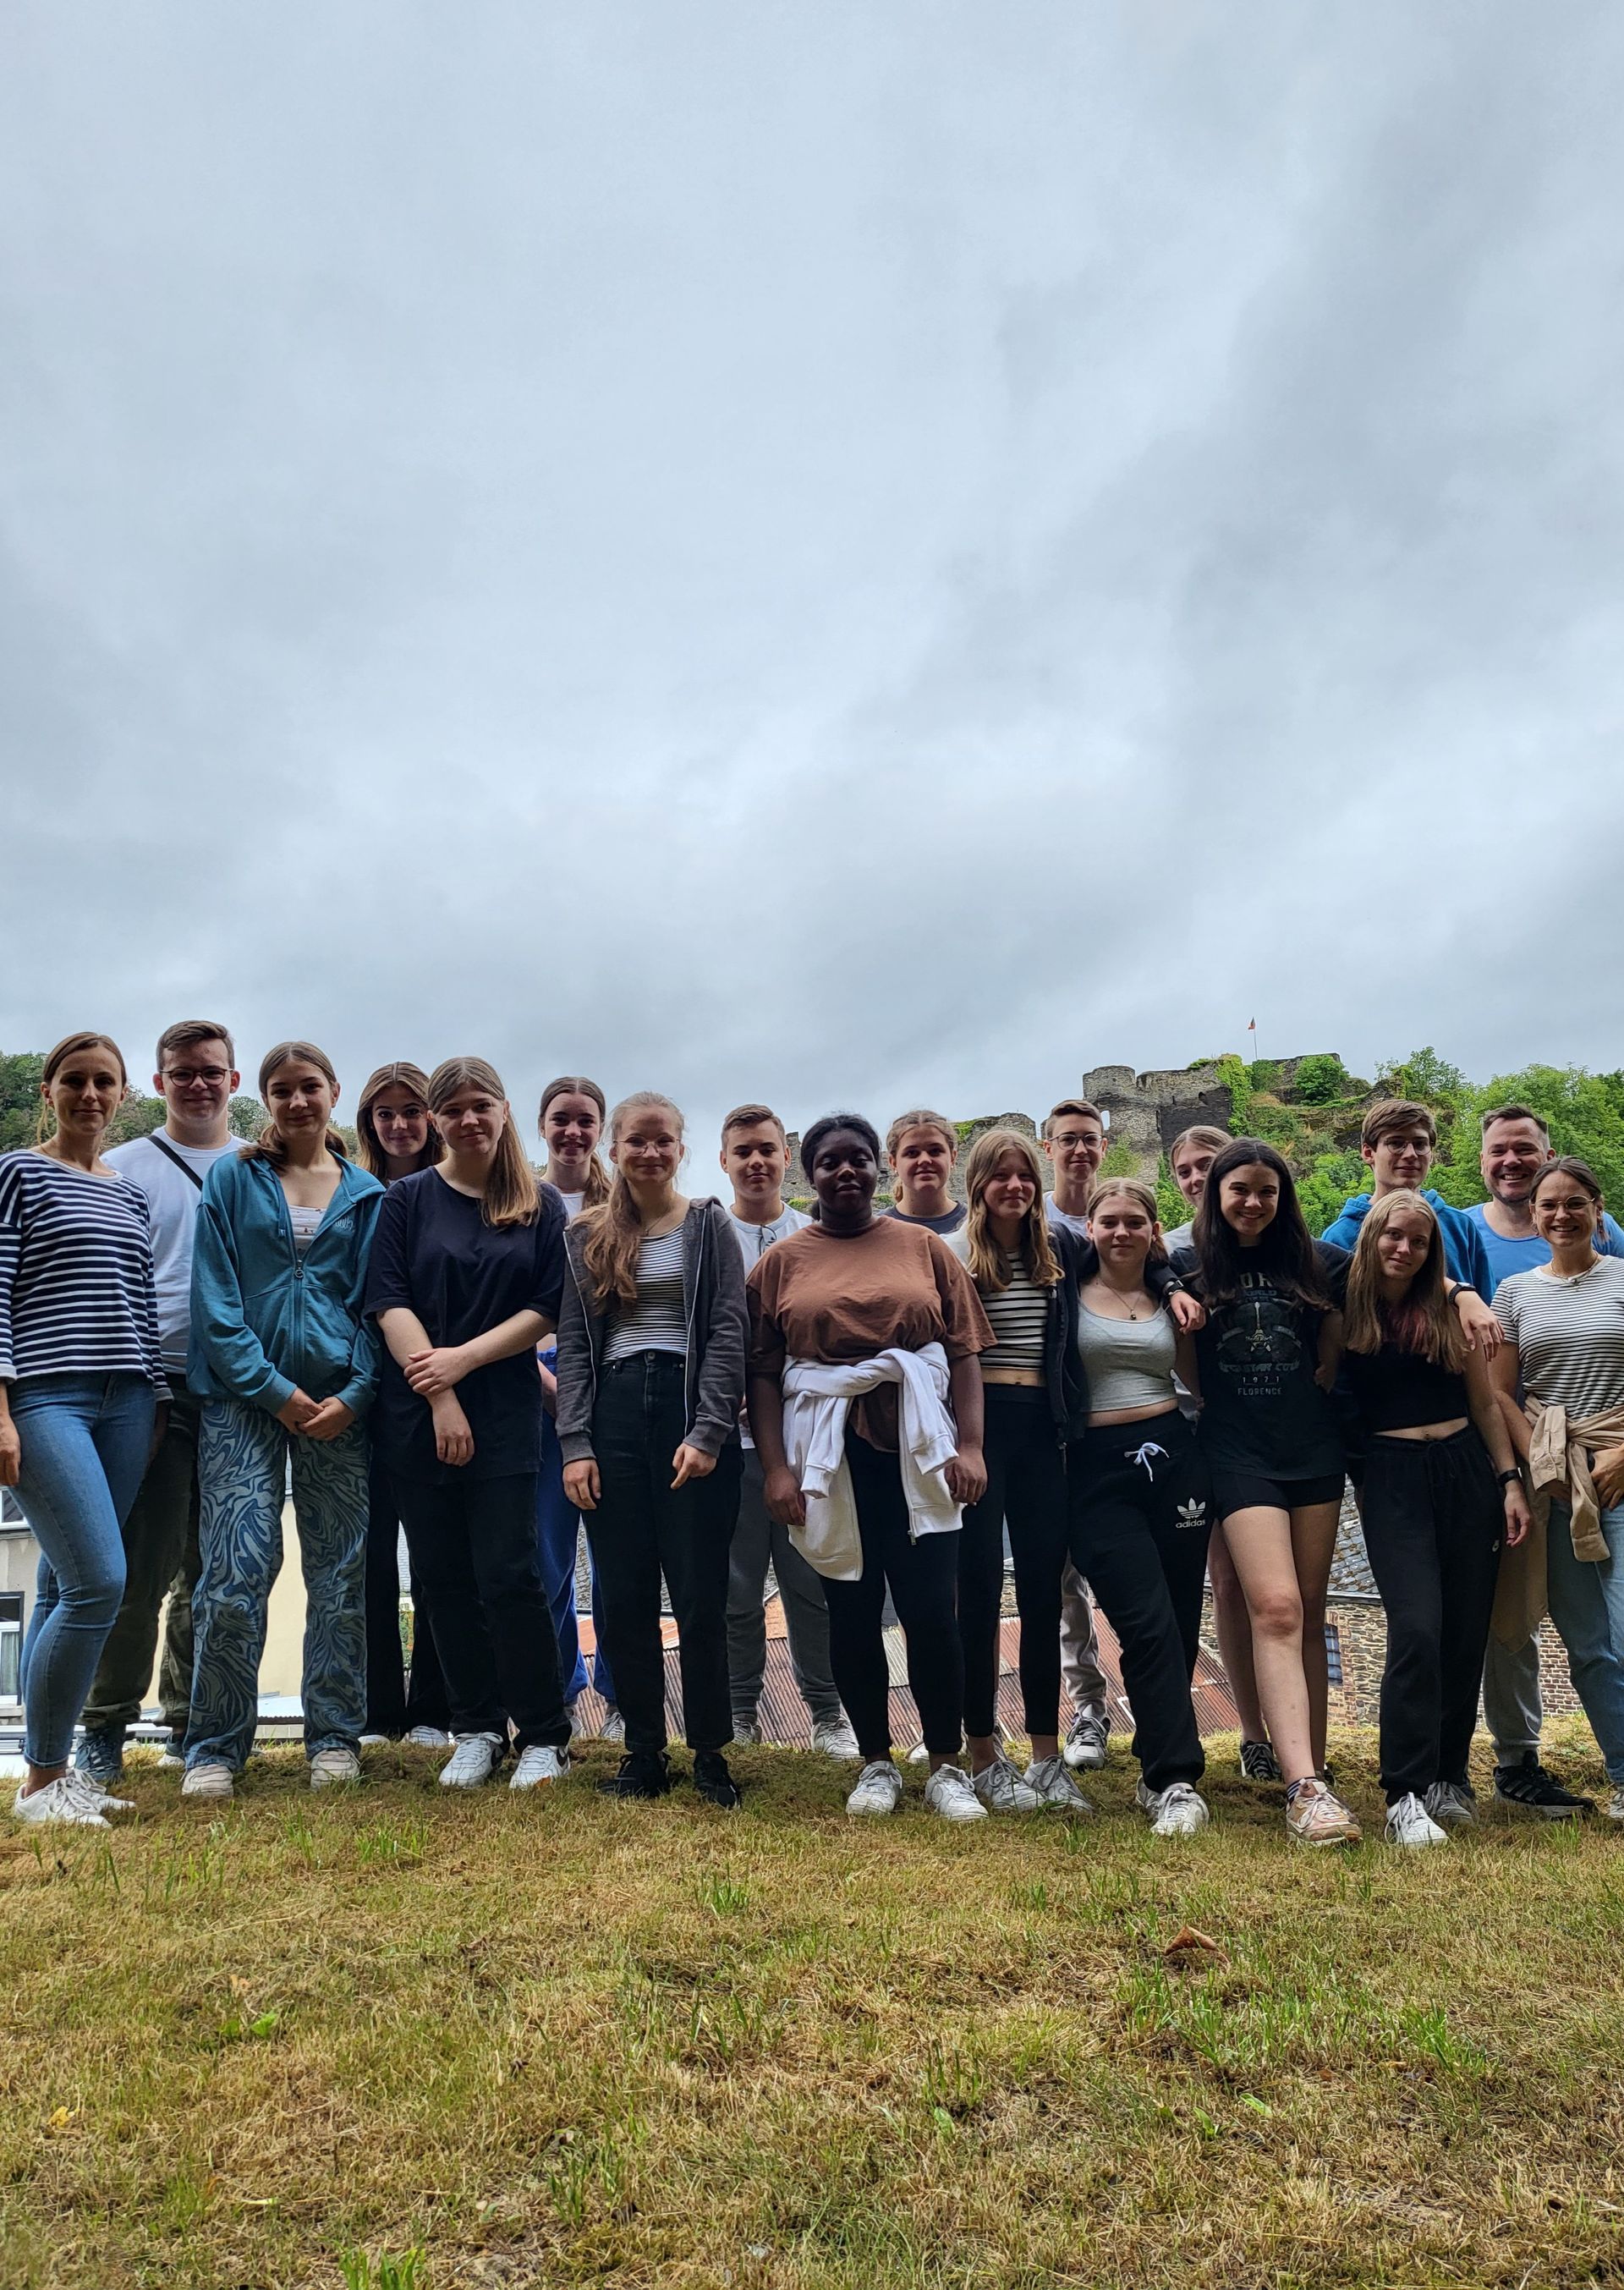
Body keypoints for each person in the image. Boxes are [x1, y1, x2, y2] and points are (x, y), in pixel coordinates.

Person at [745, 1112, 994, 1823]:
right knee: (850, 1610)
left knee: (930, 1611)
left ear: (877, 1167)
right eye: (830, 1162)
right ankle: (876, 1761)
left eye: (858, 1158)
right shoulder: (781, 1263)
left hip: (919, 1447)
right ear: (811, 1174)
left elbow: (964, 1352)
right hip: (829, 1455)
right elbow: (761, 1374)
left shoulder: (923, 1247)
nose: (846, 1171)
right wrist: (776, 1469)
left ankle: (945, 1763)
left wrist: (971, 1446)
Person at [182, 1042, 382, 1800]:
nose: (297, 1101)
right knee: (234, 1572)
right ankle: (214, 1747)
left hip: (338, 1407)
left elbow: (379, 1304)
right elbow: (215, 1303)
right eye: (282, 1089)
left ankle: (333, 1738)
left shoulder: (367, 1194)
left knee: (339, 1575)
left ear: (333, 1092)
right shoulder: (233, 1178)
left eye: (310, 1087)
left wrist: (356, 1393)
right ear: (264, 1098)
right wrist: (273, 1391)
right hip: (243, 1402)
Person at [368, 1057, 573, 1793]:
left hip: (506, 1412)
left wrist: (464, 1361)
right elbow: (388, 1300)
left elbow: (547, 1306)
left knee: (510, 1573)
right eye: (451, 1109)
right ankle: (477, 1727)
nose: (467, 1119)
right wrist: (440, 1393)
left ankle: (545, 1733)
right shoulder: (407, 1199)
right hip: (418, 1412)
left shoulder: (541, 1203)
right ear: (436, 1120)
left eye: (480, 1104)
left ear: (504, 1109)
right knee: (442, 1577)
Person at [557, 1093, 749, 1807]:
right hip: (613, 1413)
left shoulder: (708, 1223)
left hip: (686, 1407)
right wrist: (576, 1443)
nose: (649, 1151)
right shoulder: (585, 1234)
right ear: (614, 1149)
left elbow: (728, 1329)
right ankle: (643, 1751)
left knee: (700, 1596)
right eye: (636, 1140)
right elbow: (574, 1344)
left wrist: (708, 1430)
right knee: (624, 1594)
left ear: (680, 1148)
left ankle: (710, 1754)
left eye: (662, 1139)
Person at [72, 1021, 248, 1785]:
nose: (198, 1084)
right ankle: (104, 1725)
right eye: (182, 1072)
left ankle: (189, 1719)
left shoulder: (260, 1164)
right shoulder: (125, 1167)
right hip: (156, 1385)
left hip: (240, 1391)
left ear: (234, 1080)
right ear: (158, 1082)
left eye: (211, 1071)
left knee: (217, 1572)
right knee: (139, 1567)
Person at [1171, 1139, 1361, 1845]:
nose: (1253, 1202)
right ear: (1215, 1194)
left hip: (1313, 1452)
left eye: (1267, 1191)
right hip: (1235, 1454)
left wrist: (1462, 1296)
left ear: (1284, 1197)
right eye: (1239, 1190)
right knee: (1275, 1606)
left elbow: (1402, 1279)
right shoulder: (1187, 1266)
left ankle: (1312, 1769)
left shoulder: (1324, 1263)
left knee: (1308, 1611)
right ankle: (1302, 1788)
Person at [1, 1034, 167, 1828]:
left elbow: (142, 1302)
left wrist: (156, 1401)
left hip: (128, 1400)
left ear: (124, 1093)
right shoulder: (18, 1172)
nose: (90, 1094)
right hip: (46, 1399)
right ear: (49, 1091)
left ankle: (55, 1771)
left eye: (105, 1081)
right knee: (100, 1581)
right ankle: (41, 1781)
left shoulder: (128, 1192)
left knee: (65, 1586)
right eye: (75, 1080)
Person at [1341, 1192, 1532, 1845]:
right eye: (1393, 1235)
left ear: (1432, 1251)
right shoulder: (1346, 1308)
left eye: (1418, 1241)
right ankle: (1405, 1791)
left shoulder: (1450, 1311)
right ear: (1373, 1236)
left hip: (1464, 1470)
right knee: (1417, 1628)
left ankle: (1450, 1776)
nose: (1404, 1248)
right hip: (1390, 1476)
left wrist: (1509, 1480)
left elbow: (1485, 1403)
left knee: (1463, 1631)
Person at [1465, 1105, 1624, 1817]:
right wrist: (1544, 1467)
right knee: (1587, 1642)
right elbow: (1501, 1393)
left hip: (1621, 1466)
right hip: (1558, 1480)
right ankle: (1622, 1775)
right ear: (1534, 1214)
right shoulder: (1515, 1293)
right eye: (1549, 1205)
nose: (1561, 1214)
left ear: (1597, 1208)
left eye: (1574, 1203)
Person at [1071, 1176, 1215, 1835]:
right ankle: (1177, 1778)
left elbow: (1196, 1381)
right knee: (1146, 1620)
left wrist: (1174, 1286)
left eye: (1135, 1221)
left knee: (1180, 1620)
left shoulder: (1171, 1292)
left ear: (1154, 1229)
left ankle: (1156, 1766)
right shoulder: (1066, 1289)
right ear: (1090, 1228)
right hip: (1097, 1468)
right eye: (1110, 1221)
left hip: (1174, 1456)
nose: (1122, 1231)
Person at [719, 1103, 857, 1758]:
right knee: (736, 1586)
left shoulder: (818, 1235)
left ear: (785, 1159)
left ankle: (828, 1712)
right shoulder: (705, 1236)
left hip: (807, 1441)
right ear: (723, 1160)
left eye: (767, 1150)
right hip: (727, 1440)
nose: (756, 1161)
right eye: (743, 1150)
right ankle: (740, 1708)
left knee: (813, 1582)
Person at [1166, 1122, 1280, 1783]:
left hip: (1258, 1430)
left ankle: (1276, 1728)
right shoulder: (1171, 1249)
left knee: (1269, 1589)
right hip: (1190, 1431)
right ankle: (1253, 1731)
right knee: (1224, 1582)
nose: (1195, 1178)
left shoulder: (1268, 1239)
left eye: (1206, 1164)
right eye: (1184, 1169)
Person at [350, 1062, 451, 1749]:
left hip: (438, 1388)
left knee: (438, 1555)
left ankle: (436, 1710)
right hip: (363, 1392)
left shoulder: (456, 1190)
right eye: (384, 1113)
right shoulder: (354, 1192)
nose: (399, 1124)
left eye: (412, 1110)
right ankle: (378, 1711)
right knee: (369, 1560)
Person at [534, 1076, 619, 1741]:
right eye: (561, 1118)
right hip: (535, 1381)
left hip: (610, 1385)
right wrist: (541, 1380)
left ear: (601, 1128)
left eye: (585, 1119)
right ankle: (559, 1692)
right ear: (542, 1125)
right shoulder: (517, 1200)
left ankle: (622, 1694)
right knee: (546, 1556)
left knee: (618, 1555)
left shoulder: (623, 1205)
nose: (573, 1131)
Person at [1039, 1098, 1116, 1769]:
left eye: (1090, 1139)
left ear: (1105, 1147)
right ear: (1049, 1148)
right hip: (1052, 1423)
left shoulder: (1120, 1212)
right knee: (1062, 1580)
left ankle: (1152, 1710)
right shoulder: (1029, 1222)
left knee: (1125, 1572)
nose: (1080, 1150)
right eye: (1068, 1139)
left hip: (1117, 1417)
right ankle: (1088, 1707)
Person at [885, 1111, 966, 1234]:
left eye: (935, 1151)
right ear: (893, 1162)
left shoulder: (978, 1225)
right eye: (912, 1153)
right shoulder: (876, 1233)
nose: (924, 1160)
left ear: (953, 1157)